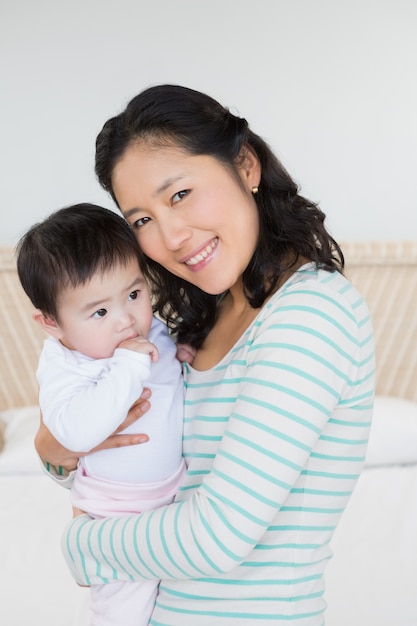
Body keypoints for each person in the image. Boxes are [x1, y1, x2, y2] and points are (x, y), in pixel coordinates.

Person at [35, 85, 375, 625]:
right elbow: (129, 458)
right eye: (141, 219)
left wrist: (82, 545)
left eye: (179, 195)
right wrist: (55, 446)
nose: (170, 236)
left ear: (245, 165)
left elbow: (215, 538)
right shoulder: (190, 325)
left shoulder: (312, 313)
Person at [16, 204, 185, 626]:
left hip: (179, 497)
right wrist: (127, 365)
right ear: (51, 323)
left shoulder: (150, 328)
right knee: (124, 613)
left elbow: (172, 363)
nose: (126, 320)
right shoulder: (64, 364)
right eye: (99, 312)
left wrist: (185, 352)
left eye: (134, 293)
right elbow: (74, 432)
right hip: (116, 513)